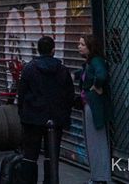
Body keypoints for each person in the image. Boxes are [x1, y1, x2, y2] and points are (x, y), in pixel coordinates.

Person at [17, 36, 75, 184]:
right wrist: (64, 114)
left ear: (38, 50)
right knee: (52, 155)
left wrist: (22, 113)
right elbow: (69, 95)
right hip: (55, 118)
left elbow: (22, 93)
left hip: (32, 118)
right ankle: (51, 181)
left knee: (30, 156)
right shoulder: (62, 70)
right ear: (53, 50)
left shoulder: (29, 69)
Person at [77, 35, 111, 184]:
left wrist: (96, 87)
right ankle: (97, 175)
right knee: (93, 141)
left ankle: (100, 177)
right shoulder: (89, 63)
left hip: (94, 106)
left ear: (90, 47)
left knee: (96, 140)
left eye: (82, 44)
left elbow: (102, 75)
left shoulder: (96, 61)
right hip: (89, 105)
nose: (79, 46)